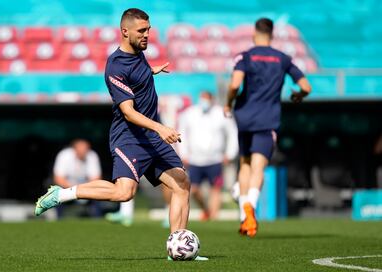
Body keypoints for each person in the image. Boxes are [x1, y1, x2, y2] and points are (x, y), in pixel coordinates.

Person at [34, 8, 207, 261]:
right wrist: (161, 127)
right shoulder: (115, 65)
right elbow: (128, 112)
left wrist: (151, 71)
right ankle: (61, 194)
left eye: (148, 30)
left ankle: (177, 248)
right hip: (130, 138)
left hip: (151, 137)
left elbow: (138, 77)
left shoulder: (139, 54)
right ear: (125, 32)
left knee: (182, 183)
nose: (147, 35)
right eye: (142, 31)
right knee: (124, 193)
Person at [224, 18, 312, 237]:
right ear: (271, 35)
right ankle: (250, 207)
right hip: (268, 120)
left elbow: (235, 84)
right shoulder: (283, 59)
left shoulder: (245, 56)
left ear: (255, 33)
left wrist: (228, 103)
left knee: (244, 165)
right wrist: (298, 95)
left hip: (244, 117)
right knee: (258, 168)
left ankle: (245, 217)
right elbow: (306, 86)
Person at [178, 91, 238, 220]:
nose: (204, 102)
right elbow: (182, 133)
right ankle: (206, 210)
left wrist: (230, 154)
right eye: (202, 99)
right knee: (193, 190)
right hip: (195, 160)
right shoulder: (189, 114)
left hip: (215, 159)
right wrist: (184, 154)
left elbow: (232, 133)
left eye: (207, 99)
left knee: (216, 189)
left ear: (212, 100)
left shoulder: (221, 113)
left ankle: (214, 218)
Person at [52, 139, 102, 217]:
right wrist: (74, 190)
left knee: (99, 193)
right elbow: (58, 178)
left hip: (86, 188)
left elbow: (96, 179)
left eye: (85, 150)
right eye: (80, 150)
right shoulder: (64, 155)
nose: (83, 152)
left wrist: (84, 190)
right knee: (57, 193)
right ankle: (58, 219)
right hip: (68, 187)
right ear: (74, 149)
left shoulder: (92, 156)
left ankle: (98, 219)